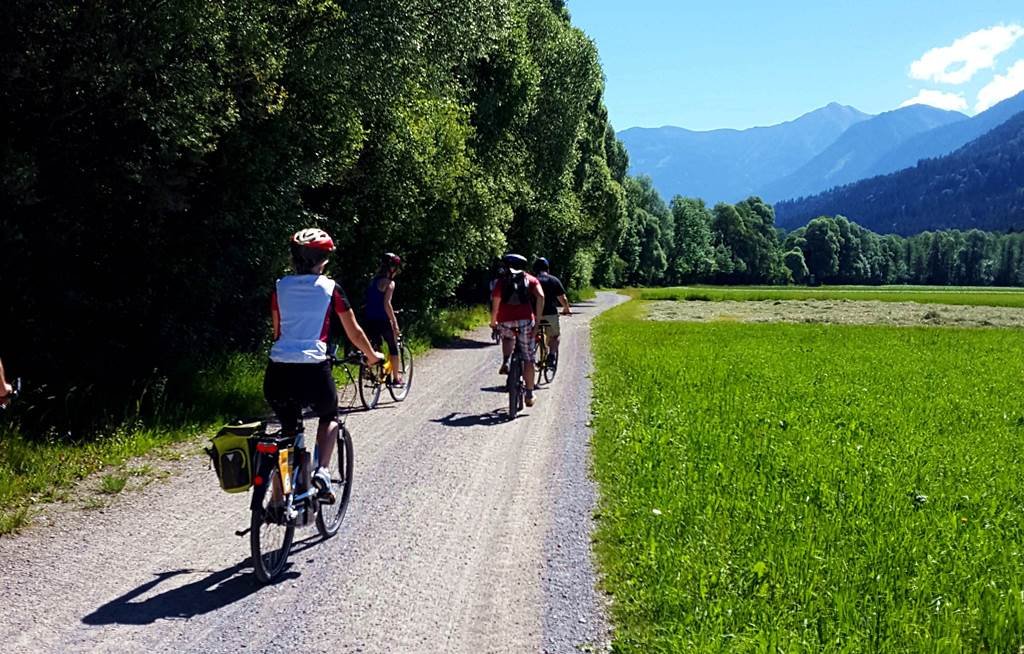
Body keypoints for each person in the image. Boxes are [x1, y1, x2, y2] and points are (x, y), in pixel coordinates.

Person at [265, 228, 383, 502]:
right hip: (313, 370)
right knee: (329, 415)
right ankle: (322, 471)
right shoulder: (331, 289)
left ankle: (276, 499)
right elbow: (354, 333)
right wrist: (372, 355)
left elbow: (277, 331)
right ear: (324, 260)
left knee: (288, 432)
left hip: (278, 371)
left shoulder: (279, 286)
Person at [490, 253, 545, 407]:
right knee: (528, 358)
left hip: (505, 321)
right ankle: (529, 394)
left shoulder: (501, 281)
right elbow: (541, 297)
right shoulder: (530, 279)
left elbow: (495, 301)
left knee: (507, 338)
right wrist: (538, 321)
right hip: (525, 320)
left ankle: (507, 360)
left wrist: (493, 321)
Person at [365, 252, 404, 386]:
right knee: (393, 347)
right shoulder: (389, 283)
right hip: (383, 319)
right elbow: (387, 304)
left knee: (375, 346)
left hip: (369, 318)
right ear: (392, 268)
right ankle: (396, 378)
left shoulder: (372, 281)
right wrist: (394, 322)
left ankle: (370, 370)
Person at [532, 257, 572, 366]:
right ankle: (552, 355)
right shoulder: (554, 280)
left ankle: (535, 349)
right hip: (550, 314)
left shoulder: (532, 280)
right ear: (548, 269)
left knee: (534, 334)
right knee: (555, 336)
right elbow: (563, 298)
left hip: (534, 315)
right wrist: (566, 309)